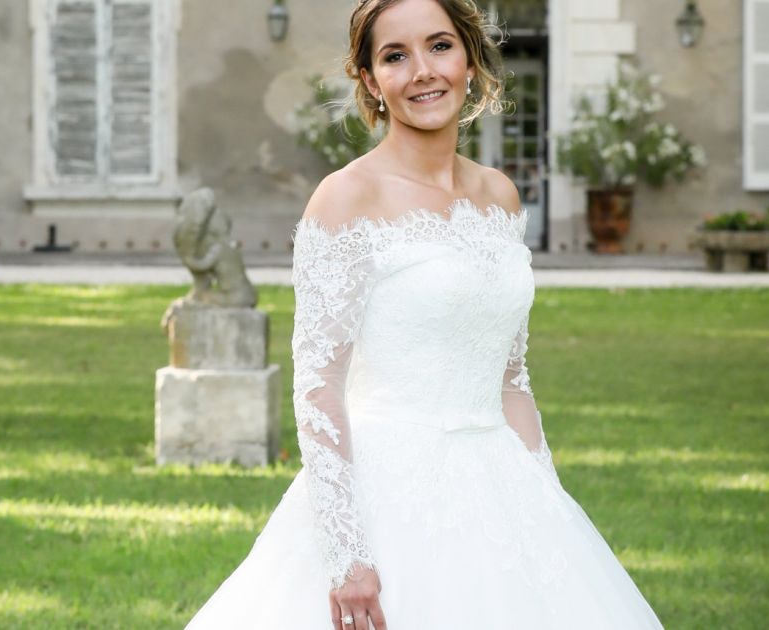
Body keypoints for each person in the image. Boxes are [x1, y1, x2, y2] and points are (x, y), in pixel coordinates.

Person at [185, 1, 664, 628]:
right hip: (388, 493)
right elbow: (318, 385)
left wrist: (544, 495)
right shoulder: (346, 197)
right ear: (369, 81)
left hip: (501, 484)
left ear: (469, 58)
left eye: (439, 46)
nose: (422, 72)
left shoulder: (500, 195)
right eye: (394, 56)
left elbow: (510, 381)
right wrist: (347, 555)